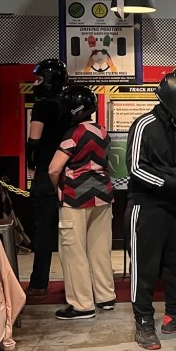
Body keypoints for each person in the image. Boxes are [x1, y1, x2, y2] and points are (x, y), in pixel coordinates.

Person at [126, 69, 176, 350]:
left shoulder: (175, 130)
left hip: (169, 207)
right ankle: (143, 322)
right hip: (144, 207)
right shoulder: (144, 124)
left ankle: (175, 314)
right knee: (144, 268)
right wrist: (171, 182)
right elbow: (135, 168)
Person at [48, 84, 117, 320]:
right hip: (103, 196)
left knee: (73, 251)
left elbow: (54, 168)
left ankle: (82, 305)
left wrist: (58, 187)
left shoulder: (72, 134)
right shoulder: (102, 131)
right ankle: (106, 296)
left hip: (75, 198)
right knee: (100, 249)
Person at [26, 58, 68, 298]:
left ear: (50, 80)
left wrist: (32, 164)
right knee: (72, 233)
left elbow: (34, 140)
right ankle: (77, 283)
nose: (35, 83)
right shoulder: (69, 104)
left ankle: (39, 284)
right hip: (69, 174)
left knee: (44, 232)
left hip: (45, 174)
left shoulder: (42, 106)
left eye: (39, 79)